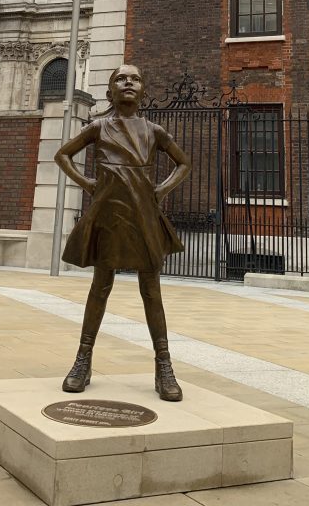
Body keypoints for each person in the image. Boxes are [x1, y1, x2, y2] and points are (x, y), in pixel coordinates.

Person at [54, 63, 191, 401]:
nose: (128, 82)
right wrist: (88, 183)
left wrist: (160, 191)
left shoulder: (154, 131)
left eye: (135, 78)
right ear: (109, 92)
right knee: (100, 286)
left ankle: (164, 366)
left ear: (143, 90)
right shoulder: (98, 127)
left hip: (143, 215)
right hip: (108, 215)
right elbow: (62, 155)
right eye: (120, 79)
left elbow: (183, 163)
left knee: (151, 290)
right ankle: (82, 361)